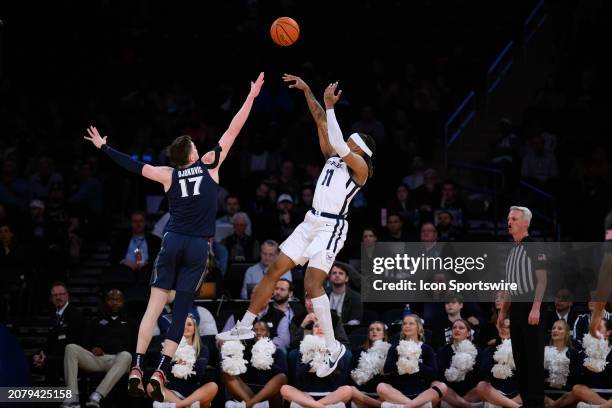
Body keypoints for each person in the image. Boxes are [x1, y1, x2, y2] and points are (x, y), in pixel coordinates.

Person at [83, 72, 264, 400]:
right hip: (198, 246)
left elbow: (131, 165)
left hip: (172, 241)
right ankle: (161, 369)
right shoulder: (210, 164)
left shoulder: (168, 174)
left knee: (152, 307)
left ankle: (137, 365)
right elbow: (234, 128)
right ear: (194, 154)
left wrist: (103, 146)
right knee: (181, 310)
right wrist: (250, 97)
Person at [217, 75, 376, 379]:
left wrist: (331, 108)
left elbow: (339, 139)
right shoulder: (334, 157)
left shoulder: (361, 168)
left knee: (312, 284)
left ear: (362, 149)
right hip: (310, 221)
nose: (349, 140)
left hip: (332, 228)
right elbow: (320, 121)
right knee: (274, 269)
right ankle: (245, 326)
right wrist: (308, 91)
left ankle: (333, 347)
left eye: (355, 140)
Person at [498, 206, 548, 408]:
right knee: (520, 358)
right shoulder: (512, 249)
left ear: (525, 222)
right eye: (508, 218)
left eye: (515, 218)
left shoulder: (535, 246)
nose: (509, 222)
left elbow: (543, 281)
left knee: (533, 358)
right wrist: (502, 312)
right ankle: (528, 402)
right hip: (516, 307)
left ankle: (536, 403)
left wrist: (536, 308)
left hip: (531, 304)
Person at [61, 289, 136, 408]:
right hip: (99, 359)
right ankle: (72, 398)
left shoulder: (131, 323)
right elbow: (85, 342)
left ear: (123, 302)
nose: (114, 303)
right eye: (111, 299)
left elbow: (134, 346)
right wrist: (93, 348)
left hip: (120, 361)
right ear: (106, 302)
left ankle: (97, 396)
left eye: (118, 300)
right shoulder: (96, 321)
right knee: (70, 348)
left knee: (126, 355)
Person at [377, 314, 447, 408]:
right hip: (398, 393)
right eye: (405, 324)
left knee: (442, 386)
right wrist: (401, 362)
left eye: (411, 323)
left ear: (418, 327)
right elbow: (387, 369)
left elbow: (434, 373)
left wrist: (416, 364)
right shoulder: (395, 347)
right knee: (381, 387)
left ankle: (407, 406)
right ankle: (415, 405)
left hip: (421, 394)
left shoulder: (426, 348)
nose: (407, 326)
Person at [148, 315, 218, 408]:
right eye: (182, 324)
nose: (185, 327)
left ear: (194, 329)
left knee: (213, 386)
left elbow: (199, 372)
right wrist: (182, 364)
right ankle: (184, 405)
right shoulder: (168, 346)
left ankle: (177, 405)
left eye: (189, 324)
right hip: (171, 391)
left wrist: (175, 364)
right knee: (150, 386)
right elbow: (162, 368)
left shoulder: (202, 349)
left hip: (193, 392)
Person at [280, 322, 353, 408]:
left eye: (323, 326)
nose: (319, 328)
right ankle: (318, 406)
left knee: (348, 390)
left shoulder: (337, 350)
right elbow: (299, 376)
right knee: (285, 389)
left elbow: (337, 376)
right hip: (305, 396)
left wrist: (325, 356)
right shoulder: (302, 349)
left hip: (330, 396)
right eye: (316, 326)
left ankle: (314, 406)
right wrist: (313, 358)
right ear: (312, 331)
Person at [221, 320, 288, 408]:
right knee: (226, 373)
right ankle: (253, 404)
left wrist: (265, 363)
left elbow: (284, 376)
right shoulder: (245, 350)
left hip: (269, 392)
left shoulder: (278, 352)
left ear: (268, 334)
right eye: (255, 330)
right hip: (247, 391)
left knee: (282, 377)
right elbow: (240, 373)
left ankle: (249, 405)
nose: (258, 332)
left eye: (262, 330)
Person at [32, 282, 86, 386]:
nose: (58, 297)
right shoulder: (53, 316)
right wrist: (40, 354)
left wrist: (47, 357)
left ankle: (51, 400)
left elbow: (73, 343)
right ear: (51, 298)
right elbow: (49, 341)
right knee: (32, 359)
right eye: (55, 295)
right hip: (54, 357)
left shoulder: (76, 315)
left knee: (51, 364)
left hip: (70, 357)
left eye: (61, 294)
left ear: (67, 295)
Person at [476, 318, 521, 408]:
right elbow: (483, 370)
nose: (504, 329)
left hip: (517, 394)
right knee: (481, 385)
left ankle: (506, 404)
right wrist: (499, 363)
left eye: (508, 327)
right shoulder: (490, 349)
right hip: (496, 392)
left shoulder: (521, 350)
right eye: (502, 327)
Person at [437, 319, 482, 408]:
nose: (457, 330)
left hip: (470, 391)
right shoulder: (443, 350)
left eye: (461, 328)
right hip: (450, 391)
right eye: (454, 327)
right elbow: (441, 375)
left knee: (483, 386)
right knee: (438, 385)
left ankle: (460, 403)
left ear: (468, 333)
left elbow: (479, 375)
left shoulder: (477, 351)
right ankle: (465, 405)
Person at [349, 321, 390, 408]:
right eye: (371, 330)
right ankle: (377, 405)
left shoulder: (389, 351)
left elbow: (391, 376)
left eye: (378, 329)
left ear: (384, 335)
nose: (374, 331)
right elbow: (351, 372)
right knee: (351, 390)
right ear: (368, 334)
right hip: (362, 393)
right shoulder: (358, 352)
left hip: (381, 393)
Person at [543, 320, 582, 408]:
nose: (555, 330)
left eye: (560, 328)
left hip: (565, 394)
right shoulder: (543, 351)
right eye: (553, 328)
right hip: (545, 393)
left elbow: (575, 379)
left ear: (567, 333)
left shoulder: (572, 353)